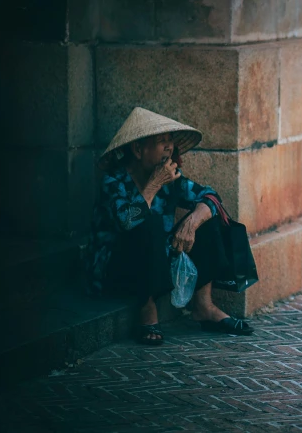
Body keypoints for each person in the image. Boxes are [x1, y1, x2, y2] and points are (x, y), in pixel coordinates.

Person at [85, 107, 252, 345]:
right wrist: (152, 186)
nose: (169, 147)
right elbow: (127, 221)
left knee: (207, 218)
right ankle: (147, 307)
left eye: (170, 141)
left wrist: (192, 223)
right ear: (138, 149)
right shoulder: (114, 180)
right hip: (116, 267)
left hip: (157, 260)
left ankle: (203, 307)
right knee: (147, 220)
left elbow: (210, 197)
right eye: (161, 141)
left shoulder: (169, 177)